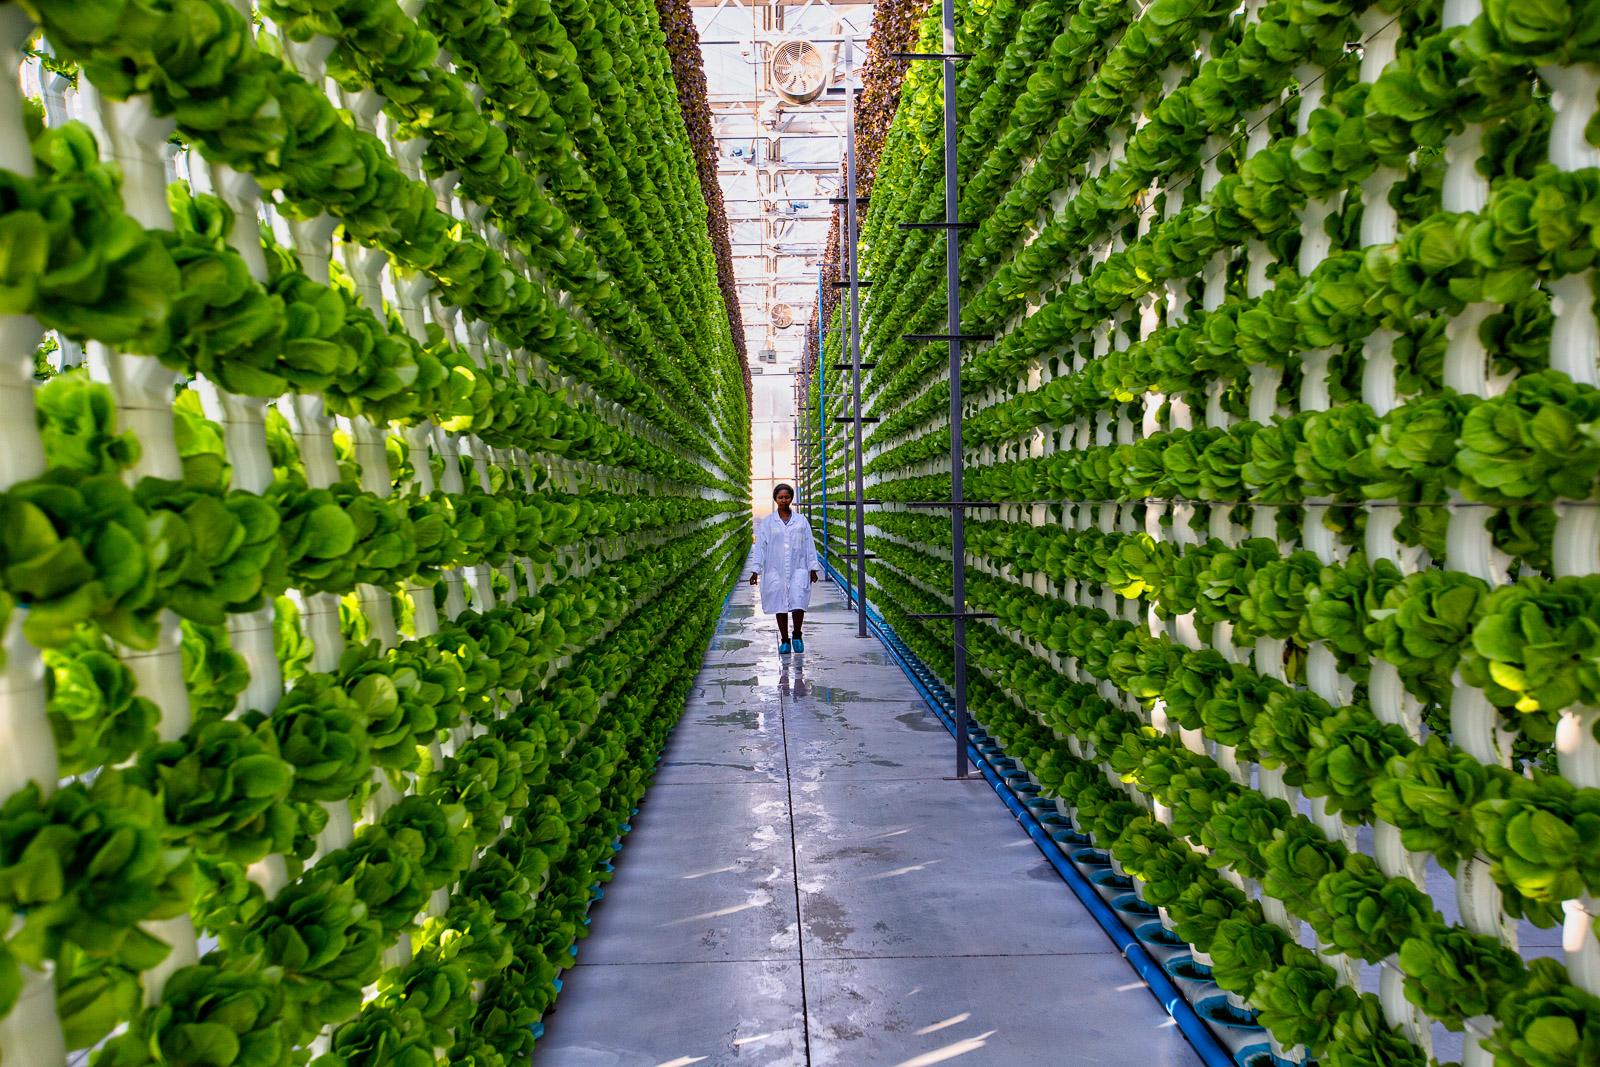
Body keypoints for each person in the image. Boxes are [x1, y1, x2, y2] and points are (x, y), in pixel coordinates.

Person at [749, 484, 819, 655]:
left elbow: (809, 544)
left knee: (798, 601)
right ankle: (785, 640)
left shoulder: (801, 521)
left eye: (786, 497)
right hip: (776, 568)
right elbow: (760, 548)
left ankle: (797, 634)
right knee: (779, 603)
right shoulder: (767, 522)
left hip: (798, 567)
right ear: (775, 499)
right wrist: (755, 570)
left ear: (791, 498)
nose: (783, 500)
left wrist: (813, 568)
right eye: (780, 497)